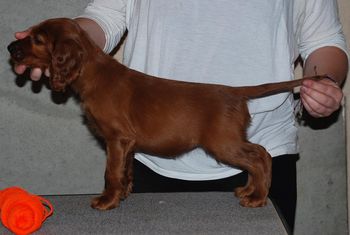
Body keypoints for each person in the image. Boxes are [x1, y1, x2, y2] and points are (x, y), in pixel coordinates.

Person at [12, 0, 348, 233]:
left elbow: (324, 39)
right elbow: (105, 16)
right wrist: (60, 40)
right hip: (154, 164)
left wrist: (324, 81)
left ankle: (256, 168)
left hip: (265, 139)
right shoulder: (100, 85)